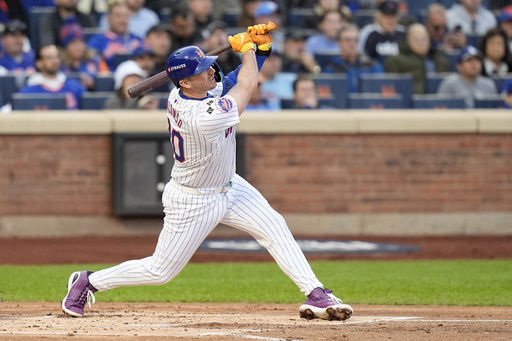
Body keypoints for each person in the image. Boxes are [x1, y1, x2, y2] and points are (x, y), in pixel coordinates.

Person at [61, 23, 353, 322]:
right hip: (194, 199)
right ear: (185, 83)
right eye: (202, 70)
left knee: (274, 226)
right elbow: (247, 86)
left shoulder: (189, 92)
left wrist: (261, 49)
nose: (210, 71)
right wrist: (248, 51)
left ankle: (316, 293)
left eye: (208, 65)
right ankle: (89, 281)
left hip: (229, 186)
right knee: (161, 271)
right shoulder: (200, 117)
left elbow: (230, 81)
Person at [384, 23, 450, 94]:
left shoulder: (439, 59)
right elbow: (392, 89)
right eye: (416, 38)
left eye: (424, 38)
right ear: (407, 39)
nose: (421, 42)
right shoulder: (395, 61)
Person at [18, 44, 86, 110]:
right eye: (49, 58)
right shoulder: (28, 92)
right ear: (39, 63)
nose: (55, 61)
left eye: (57, 57)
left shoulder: (74, 86)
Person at [323, 24, 384, 93]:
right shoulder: (332, 69)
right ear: (339, 43)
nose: (352, 44)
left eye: (355, 40)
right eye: (347, 40)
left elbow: (381, 91)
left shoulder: (372, 66)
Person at [88, 0, 144, 72]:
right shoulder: (97, 41)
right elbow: (92, 66)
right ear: (108, 19)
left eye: (126, 16)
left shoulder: (138, 40)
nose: (123, 20)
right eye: (118, 16)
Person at [59, 19, 100, 91]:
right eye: (73, 43)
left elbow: (104, 81)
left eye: (81, 42)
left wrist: (94, 83)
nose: (78, 47)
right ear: (66, 46)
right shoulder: (59, 64)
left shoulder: (95, 60)